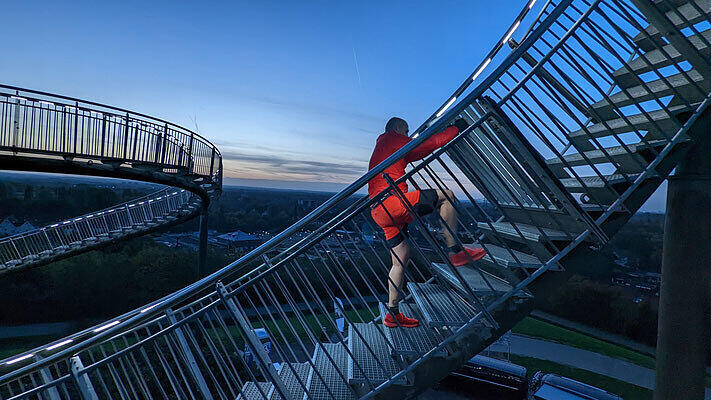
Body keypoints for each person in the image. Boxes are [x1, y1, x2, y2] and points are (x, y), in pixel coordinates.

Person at [369, 117, 486, 328]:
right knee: (447, 196)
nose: (409, 135)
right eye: (406, 131)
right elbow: (429, 143)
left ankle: (392, 313)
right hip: (393, 203)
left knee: (399, 260)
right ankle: (455, 251)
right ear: (397, 129)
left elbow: (419, 151)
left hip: (378, 210)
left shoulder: (384, 146)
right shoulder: (393, 139)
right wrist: (456, 127)